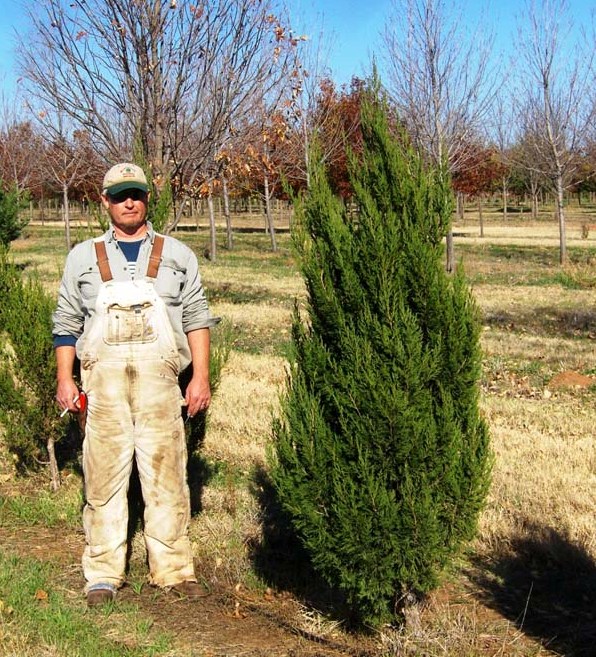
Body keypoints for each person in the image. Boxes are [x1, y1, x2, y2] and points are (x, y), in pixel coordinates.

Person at [53, 163, 219, 607]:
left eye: (137, 194)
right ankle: (103, 574)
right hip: (103, 392)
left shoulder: (179, 255)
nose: (129, 202)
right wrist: (64, 379)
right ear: (104, 201)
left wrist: (199, 377)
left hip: (160, 389)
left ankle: (174, 570)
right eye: (119, 194)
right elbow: (66, 323)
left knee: (166, 479)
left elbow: (198, 320)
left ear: (148, 199)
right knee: (103, 481)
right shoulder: (82, 258)